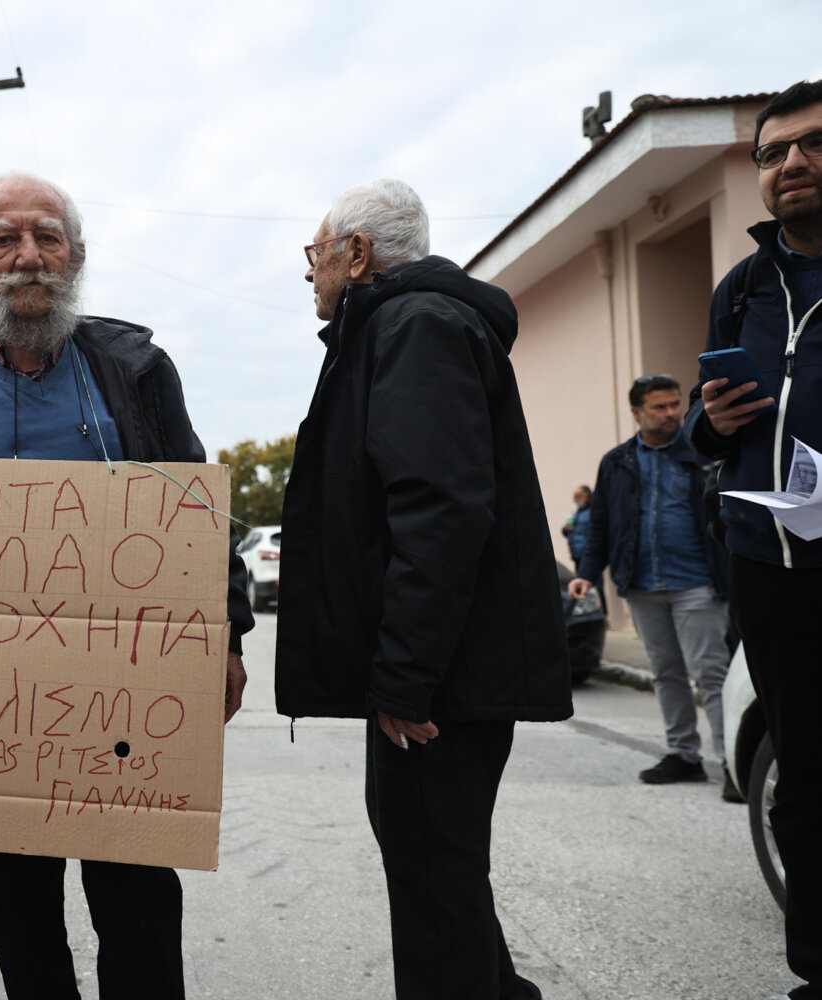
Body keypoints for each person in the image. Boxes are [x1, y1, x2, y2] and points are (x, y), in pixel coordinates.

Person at [0, 170, 253, 1000]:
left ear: (76, 257)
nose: (28, 256)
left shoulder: (136, 371)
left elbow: (194, 506)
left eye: (47, 237)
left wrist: (226, 634)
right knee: (15, 909)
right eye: (5, 239)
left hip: (127, 693)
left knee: (138, 901)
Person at [275, 179, 571, 1000]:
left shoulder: (416, 326)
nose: (308, 271)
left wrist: (405, 676)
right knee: (438, 873)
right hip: (440, 671)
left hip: (441, 681)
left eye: (315, 252)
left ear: (357, 253)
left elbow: (440, 510)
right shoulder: (402, 326)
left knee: (435, 876)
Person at [689, 79, 822, 1000]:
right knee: (803, 782)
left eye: (812, 144)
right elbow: (707, 431)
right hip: (768, 567)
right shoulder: (740, 290)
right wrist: (710, 420)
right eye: (772, 153)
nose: (792, 164)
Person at [569, 375, 735, 798]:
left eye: (675, 404)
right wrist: (586, 572)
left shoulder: (702, 453)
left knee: (711, 673)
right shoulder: (617, 461)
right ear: (636, 412)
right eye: (659, 407)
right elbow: (601, 523)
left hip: (697, 583)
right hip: (641, 585)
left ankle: (733, 763)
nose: (671, 413)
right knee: (666, 672)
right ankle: (684, 755)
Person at [563, 484, 593, 563]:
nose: (575, 500)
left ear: (587, 497)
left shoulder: (592, 512)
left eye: (577, 496)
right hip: (577, 554)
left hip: (588, 555)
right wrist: (565, 529)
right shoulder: (578, 513)